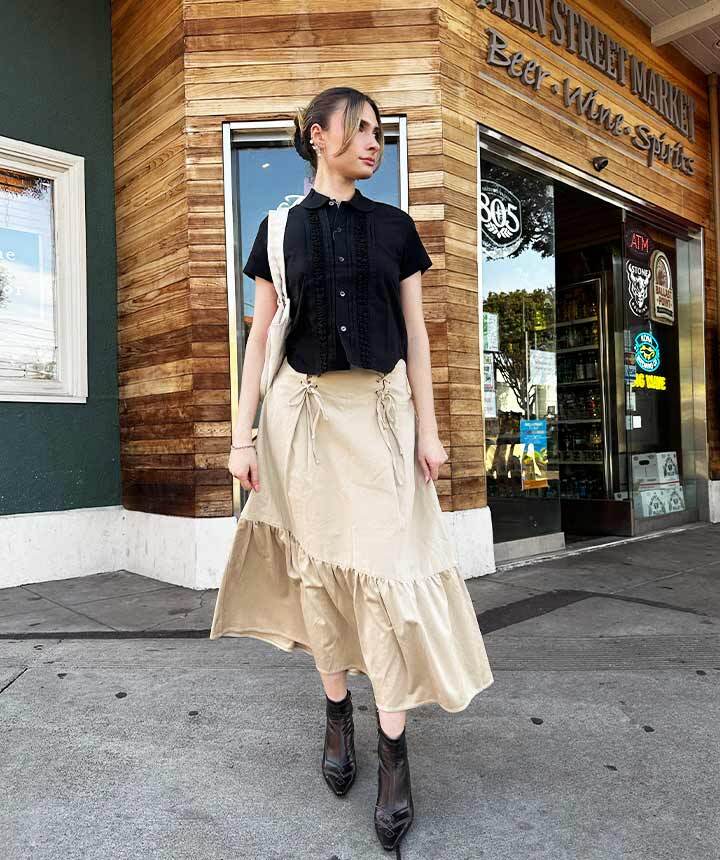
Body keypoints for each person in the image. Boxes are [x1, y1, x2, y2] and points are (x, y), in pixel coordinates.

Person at [209, 86, 494, 852]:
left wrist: (430, 431)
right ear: (316, 135)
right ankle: (338, 712)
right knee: (321, 578)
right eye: (360, 130)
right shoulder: (276, 231)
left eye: (378, 131)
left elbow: (419, 337)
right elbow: (260, 339)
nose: (374, 143)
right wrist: (242, 439)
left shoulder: (395, 228)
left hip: (379, 420)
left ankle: (393, 752)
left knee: (389, 582)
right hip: (302, 425)